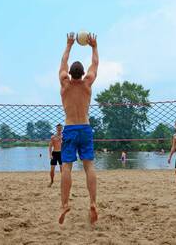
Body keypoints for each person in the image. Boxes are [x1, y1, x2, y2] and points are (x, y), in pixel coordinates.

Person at [58, 32, 99, 225]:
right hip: (85, 128)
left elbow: (63, 63)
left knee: (66, 166)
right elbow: (95, 64)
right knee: (89, 166)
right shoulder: (87, 84)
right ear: (82, 74)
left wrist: (68, 45)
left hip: (70, 128)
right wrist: (93, 46)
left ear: (69, 74)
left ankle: (65, 204)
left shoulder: (64, 83)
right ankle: (92, 202)